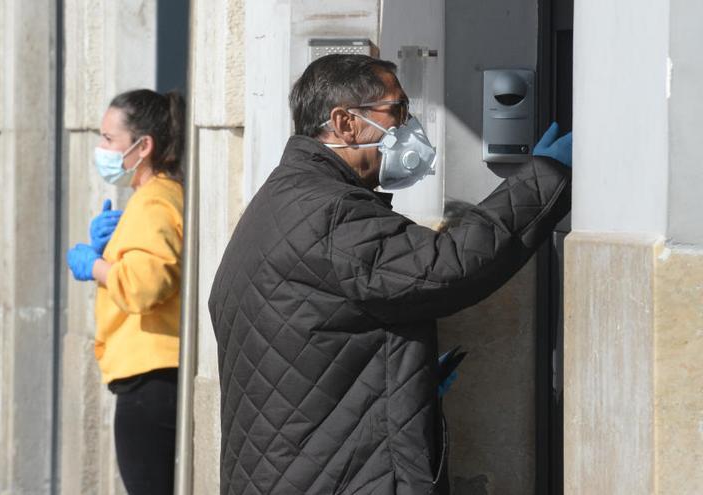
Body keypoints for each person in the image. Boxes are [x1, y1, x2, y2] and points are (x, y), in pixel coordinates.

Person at [208, 54, 571, 494]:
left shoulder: (287, 197)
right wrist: (547, 177)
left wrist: (402, 380)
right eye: (397, 111)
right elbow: (447, 267)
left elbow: (313, 338)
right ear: (344, 123)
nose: (410, 125)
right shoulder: (329, 212)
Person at [66, 89, 185, 495]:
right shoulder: (151, 199)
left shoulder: (154, 202)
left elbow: (145, 285)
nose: (101, 148)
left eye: (108, 139)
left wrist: (95, 265)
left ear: (144, 146)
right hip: (149, 375)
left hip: (151, 378)